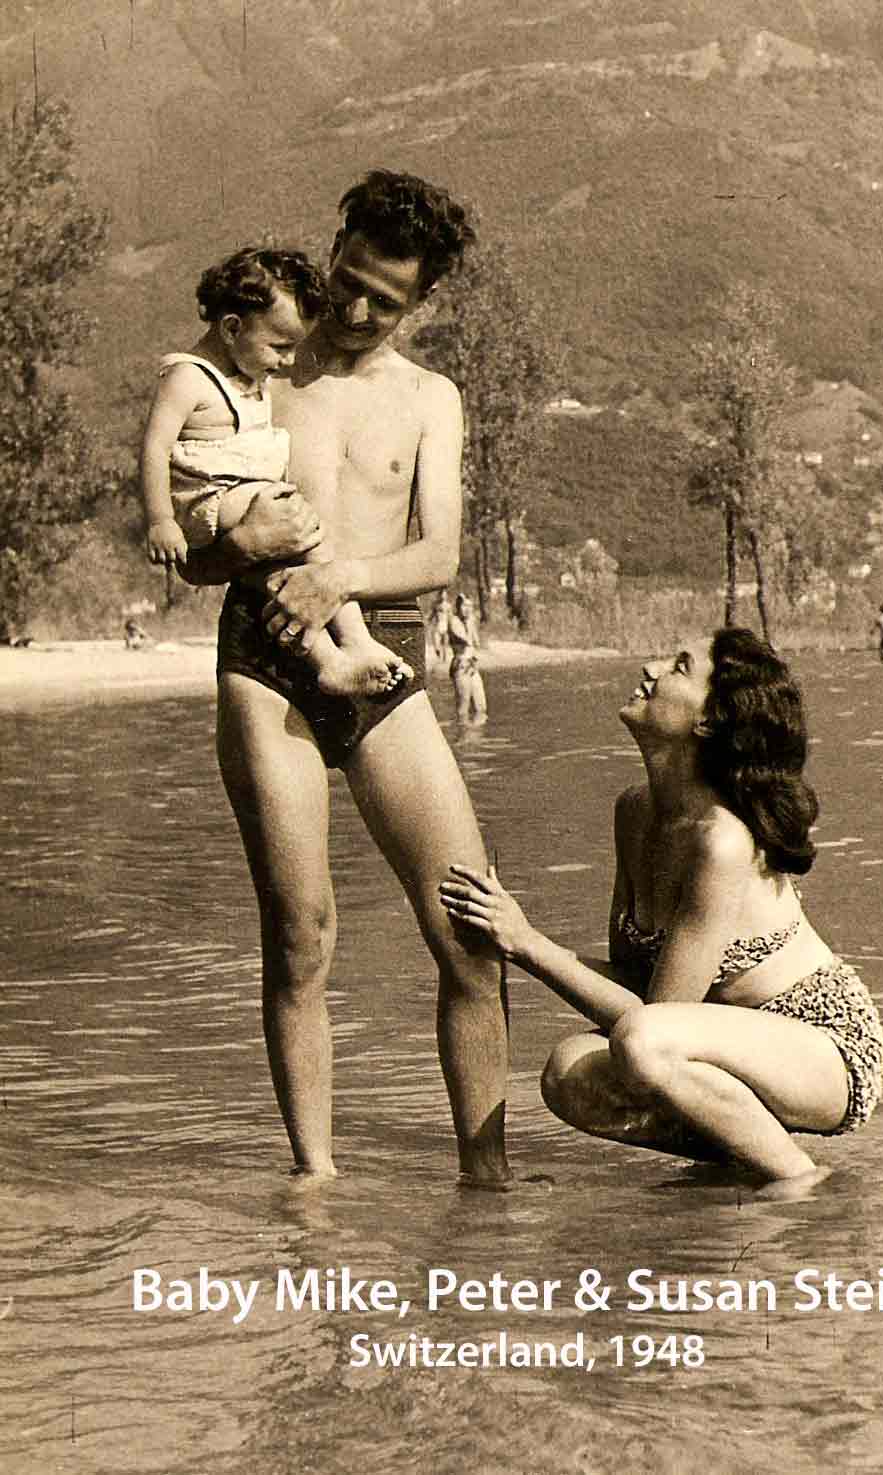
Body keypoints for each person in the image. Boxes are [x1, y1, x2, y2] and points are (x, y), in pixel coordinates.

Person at [181, 172, 510, 1187]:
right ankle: (316, 1183)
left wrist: (342, 578)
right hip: (265, 655)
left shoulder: (429, 398)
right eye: (352, 281)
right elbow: (195, 552)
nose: (361, 311)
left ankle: (486, 1183)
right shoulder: (261, 367)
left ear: (422, 302)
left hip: (385, 656)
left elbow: (442, 552)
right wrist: (237, 545)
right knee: (299, 930)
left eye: (389, 300)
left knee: (468, 929)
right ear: (335, 248)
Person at [440, 627, 883, 1189]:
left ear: (708, 722)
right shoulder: (633, 811)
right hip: (714, 1049)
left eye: (677, 666)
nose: (649, 667)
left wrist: (526, 943)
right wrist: (512, 935)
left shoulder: (721, 842)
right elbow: (634, 987)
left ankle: (803, 1185)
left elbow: (653, 1020)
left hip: (827, 1051)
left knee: (642, 1045)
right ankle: (744, 1161)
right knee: (568, 1073)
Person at [142, 245, 410, 698]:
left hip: (238, 496)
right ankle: (346, 649)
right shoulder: (187, 378)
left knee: (289, 563)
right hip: (207, 497)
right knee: (301, 526)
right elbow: (154, 449)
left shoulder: (242, 376)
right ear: (231, 328)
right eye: (280, 348)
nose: (287, 363)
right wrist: (160, 520)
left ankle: (341, 653)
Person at [448, 591, 488, 724]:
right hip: (460, 665)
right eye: (464, 606)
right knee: (463, 707)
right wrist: (470, 624)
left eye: (470, 606)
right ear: (458, 607)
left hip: (472, 666)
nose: (467, 609)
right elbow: (466, 640)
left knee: (481, 707)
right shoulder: (454, 620)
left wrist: (472, 622)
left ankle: (477, 739)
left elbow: (476, 642)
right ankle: (463, 739)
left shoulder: (470, 620)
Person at [428, 589, 453, 669]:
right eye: (442, 594)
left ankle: (444, 660)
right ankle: (438, 654)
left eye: (444, 594)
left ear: (446, 596)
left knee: (445, 645)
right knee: (436, 644)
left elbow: (450, 617)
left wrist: (451, 626)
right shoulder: (436, 605)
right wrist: (429, 620)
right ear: (440, 596)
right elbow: (432, 615)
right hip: (438, 626)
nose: (443, 596)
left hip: (446, 625)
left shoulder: (449, 606)